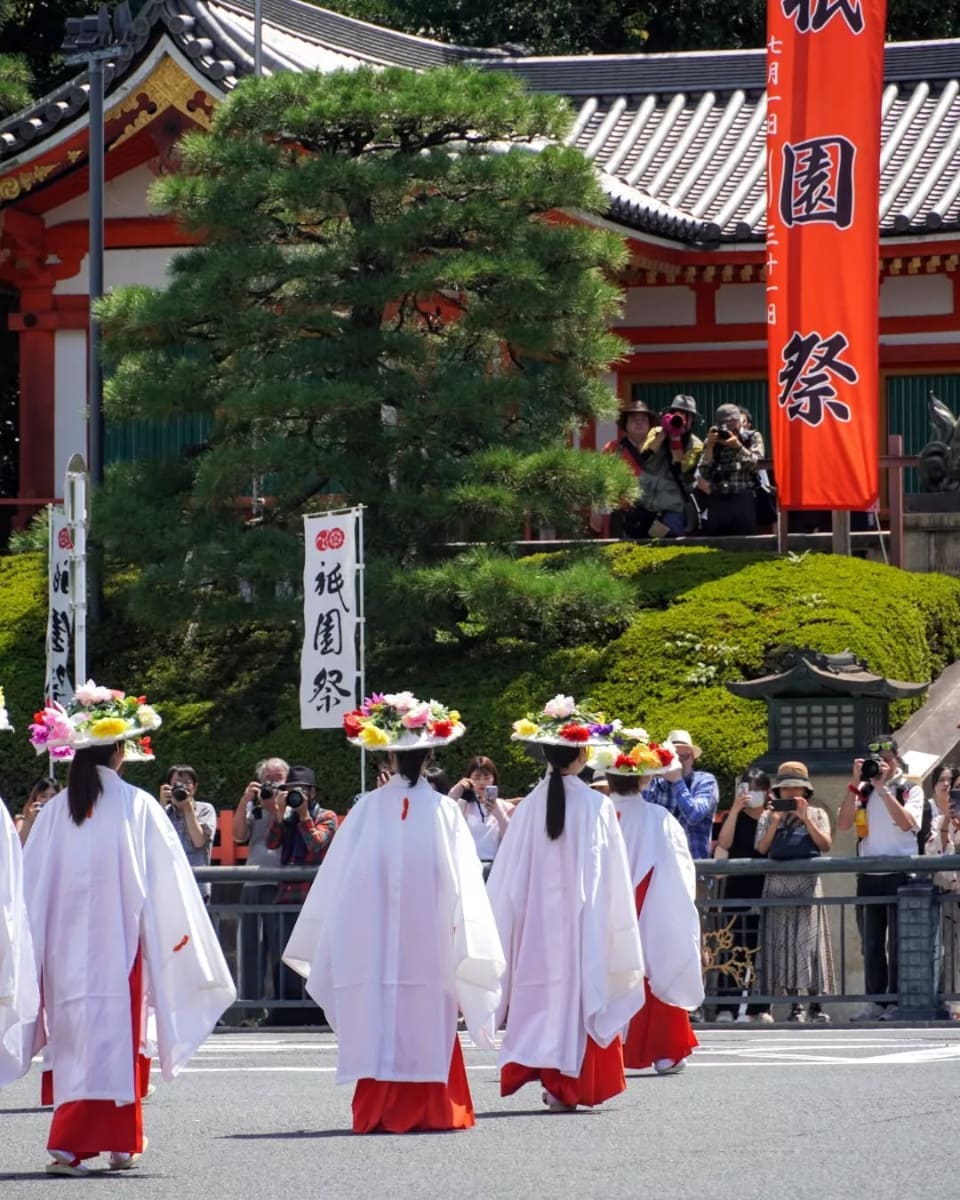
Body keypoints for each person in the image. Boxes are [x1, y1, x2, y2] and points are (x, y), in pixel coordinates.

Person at [22, 681, 235, 1175]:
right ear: (119, 749)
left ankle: (76, 1144)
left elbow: (31, 889)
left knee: (75, 1040)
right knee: (120, 1035)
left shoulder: (56, 811)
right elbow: (169, 886)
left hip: (62, 954)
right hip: (124, 950)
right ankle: (114, 1141)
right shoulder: (137, 805)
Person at [283, 691, 504, 1133]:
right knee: (427, 1007)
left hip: (373, 940)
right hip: (432, 939)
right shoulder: (443, 810)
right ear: (431, 755)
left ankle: (379, 1109)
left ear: (385, 751)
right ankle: (433, 1106)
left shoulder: (367, 809)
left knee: (377, 1008)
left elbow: (339, 885)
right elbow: (466, 887)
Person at [487, 696, 645, 1112]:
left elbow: (509, 876)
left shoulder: (527, 807)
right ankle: (569, 1084)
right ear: (581, 754)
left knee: (539, 997)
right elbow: (608, 875)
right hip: (582, 924)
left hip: (537, 926)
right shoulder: (597, 805)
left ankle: (551, 1078)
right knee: (579, 998)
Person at [595, 730, 702, 1075]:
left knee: (603, 970)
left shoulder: (595, 814)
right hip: (648, 901)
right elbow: (680, 871)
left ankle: (603, 1049)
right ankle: (665, 1050)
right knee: (660, 964)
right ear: (645, 777)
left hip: (603, 904)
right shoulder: (659, 817)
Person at [838, 735, 925, 1021]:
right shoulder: (862, 789)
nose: (882, 765)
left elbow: (905, 823)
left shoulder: (910, 789)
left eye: (887, 759)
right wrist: (855, 783)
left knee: (899, 943)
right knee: (871, 944)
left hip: (901, 875)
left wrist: (883, 787)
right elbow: (844, 824)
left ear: (897, 758)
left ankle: (896, 1003)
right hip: (869, 874)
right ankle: (876, 1000)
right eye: (878, 760)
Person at [755, 762, 835, 1023]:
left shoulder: (818, 813)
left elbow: (825, 844)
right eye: (785, 788)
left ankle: (816, 1004)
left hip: (807, 887)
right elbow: (761, 848)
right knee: (783, 947)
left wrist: (806, 818)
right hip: (777, 888)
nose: (790, 793)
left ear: (805, 788)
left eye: (795, 787)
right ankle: (794, 1005)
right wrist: (775, 821)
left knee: (809, 945)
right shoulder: (768, 816)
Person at [263, 766, 338, 1024]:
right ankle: (287, 1012)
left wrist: (304, 814)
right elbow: (271, 844)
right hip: (286, 897)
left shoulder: (326, 816)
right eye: (291, 790)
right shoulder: (286, 817)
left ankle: (318, 1011)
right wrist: (278, 814)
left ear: (313, 792)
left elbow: (317, 844)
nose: (297, 796)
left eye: (302, 790)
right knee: (285, 956)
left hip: (314, 899)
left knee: (315, 956)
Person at [712, 770, 772, 1023]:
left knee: (764, 951)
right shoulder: (732, 817)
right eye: (748, 787)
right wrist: (735, 811)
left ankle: (760, 1008)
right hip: (737, 890)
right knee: (733, 950)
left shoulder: (773, 817)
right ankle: (726, 1006)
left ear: (768, 791)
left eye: (758, 787)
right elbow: (724, 844)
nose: (752, 792)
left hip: (767, 889)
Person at [232, 757, 287, 1017]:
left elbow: (289, 835)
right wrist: (245, 800)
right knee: (250, 949)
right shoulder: (254, 805)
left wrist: (277, 808)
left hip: (281, 884)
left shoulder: (293, 804)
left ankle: (281, 1009)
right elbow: (238, 835)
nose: (273, 783)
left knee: (281, 949)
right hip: (253, 881)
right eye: (269, 778)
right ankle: (251, 1012)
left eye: (278, 778)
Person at [631, 394, 703, 538]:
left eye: (685, 416)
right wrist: (664, 432)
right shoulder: (655, 433)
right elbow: (644, 457)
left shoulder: (696, 445)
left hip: (672, 510)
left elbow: (681, 468)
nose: (680, 419)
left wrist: (676, 439)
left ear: (691, 420)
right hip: (643, 505)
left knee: (669, 548)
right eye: (676, 414)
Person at [695, 403, 764, 536]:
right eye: (724, 423)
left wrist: (737, 446)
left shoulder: (752, 437)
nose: (729, 428)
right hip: (718, 498)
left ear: (739, 421)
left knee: (746, 543)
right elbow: (703, 473)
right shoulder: (712, 441)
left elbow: (757, 464)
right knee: (716, 544)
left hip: (743, 498)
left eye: (732, 423)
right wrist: (709, 447)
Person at [594, 396, 657, 538]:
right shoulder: (613, 449)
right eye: (634, 419)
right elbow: (600, 480)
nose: (639, 423)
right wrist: (595, 510)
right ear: (625, 424)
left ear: (650, 424)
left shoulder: (660, 450)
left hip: (654, 512)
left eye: (643, 419)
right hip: (622, 512)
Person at [159, 764, 217, 904]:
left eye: (187, 783)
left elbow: (199, 841)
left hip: (197, 885)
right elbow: (154, 842)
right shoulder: (162, 812)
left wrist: (188, 808)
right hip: (169, 884)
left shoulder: (205, 810)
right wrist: (160, 805)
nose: (182, 787)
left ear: (195, 787)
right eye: (177, 784)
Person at [450, 755, 514, 872]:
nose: (482, 782)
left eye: (487, 777)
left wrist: (499, 814)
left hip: (497, 868)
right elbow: (443, 818)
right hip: (467, 867)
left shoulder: (506, 807)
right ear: (469, 779)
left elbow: (513, 839)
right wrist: (454, 793)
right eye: (477, 777)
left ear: (493, 779)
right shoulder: (461, 805)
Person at [15, 777, 57, 846]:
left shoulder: (65, 820)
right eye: (43, 796)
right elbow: (18, 846)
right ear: (35, 799)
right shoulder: (23, 821)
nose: (48, 800)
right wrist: (29, 821)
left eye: (53, 796)